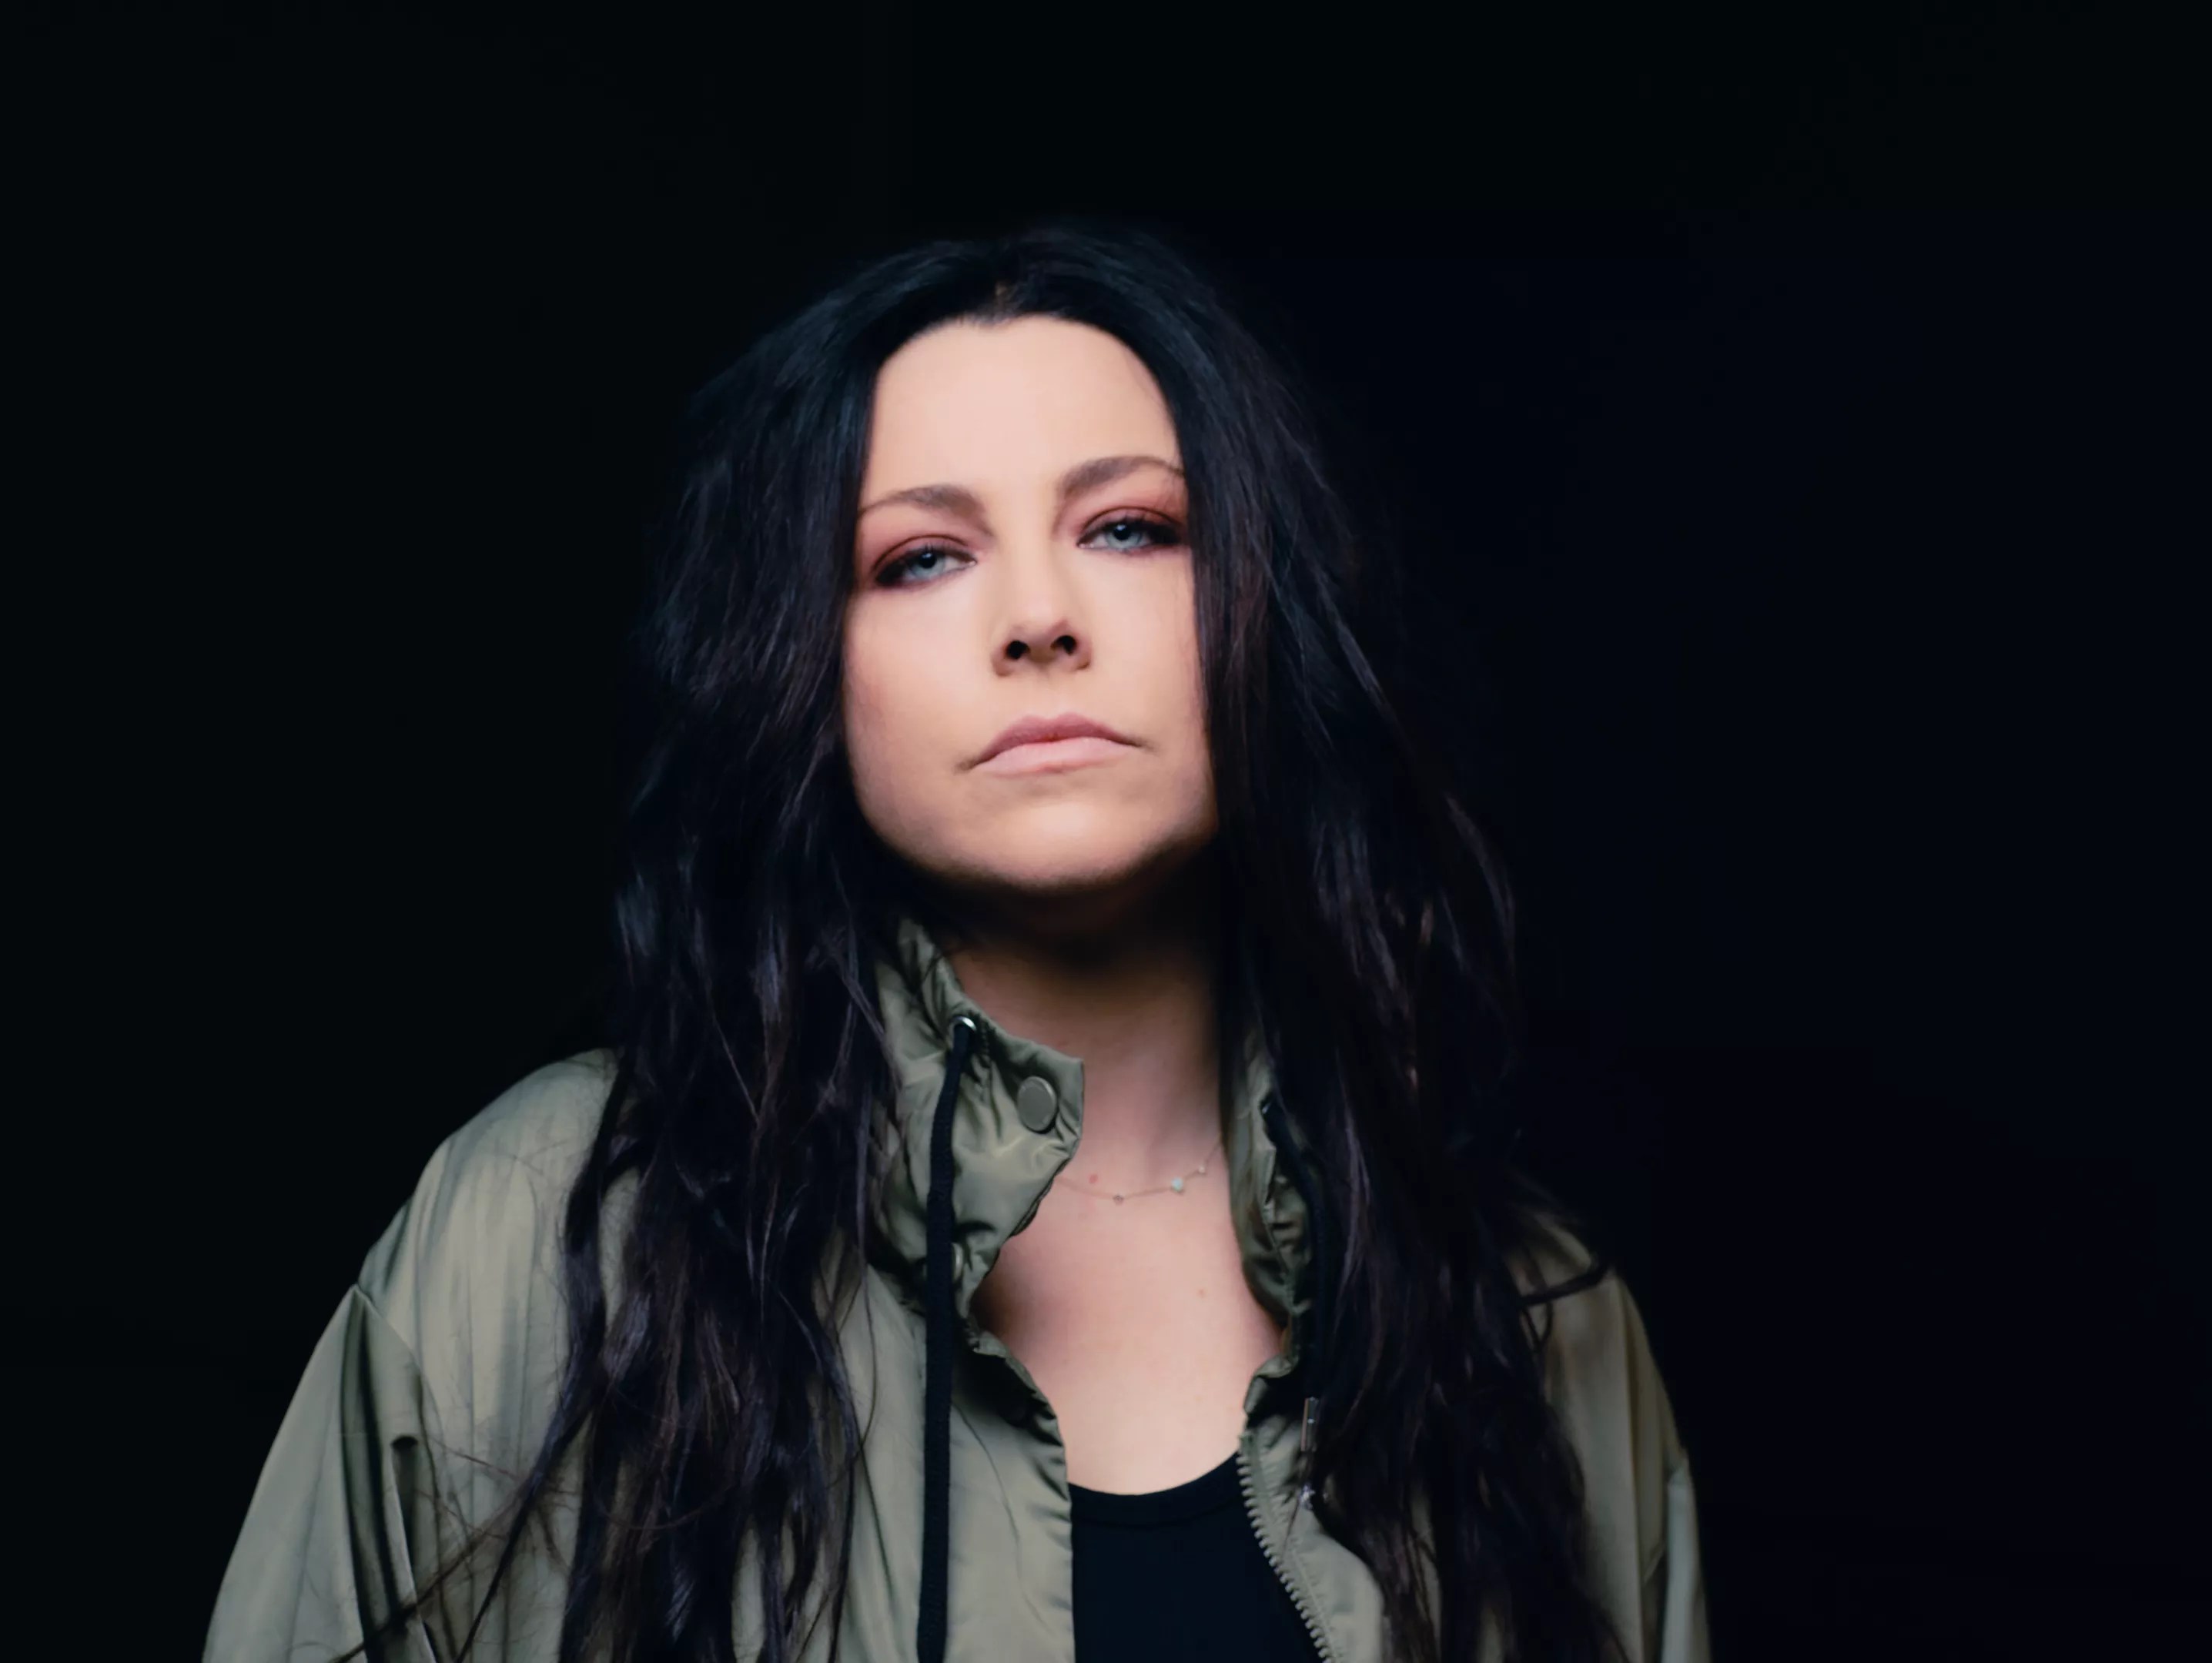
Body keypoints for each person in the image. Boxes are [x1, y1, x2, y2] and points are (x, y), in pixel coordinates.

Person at [202, 222, 1709, 1663]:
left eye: (1130, 529)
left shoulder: (1528, 1315)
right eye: (923, 556)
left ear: (1269, 607)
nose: (1040, 617)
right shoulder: (547, 1231)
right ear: (802, 663)